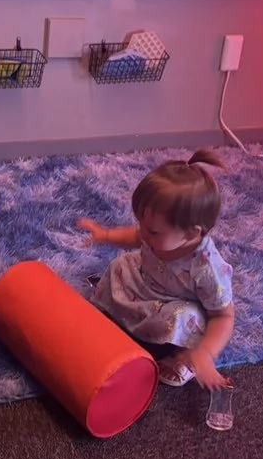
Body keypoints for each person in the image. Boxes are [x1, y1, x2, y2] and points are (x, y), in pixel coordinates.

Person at [78, 148, 235, 390]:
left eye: (152, 231)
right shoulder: (155, 233)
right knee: (121, 264)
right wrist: (105, 234)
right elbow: (135, 236)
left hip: (176, 303)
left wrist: (205, 353)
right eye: (142, 223)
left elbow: (223, 317)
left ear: (191, 233)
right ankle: (114, 310)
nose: (143, 231)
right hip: (146, 282)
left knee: (184, 318)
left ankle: (184, 360)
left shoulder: (207, 268)